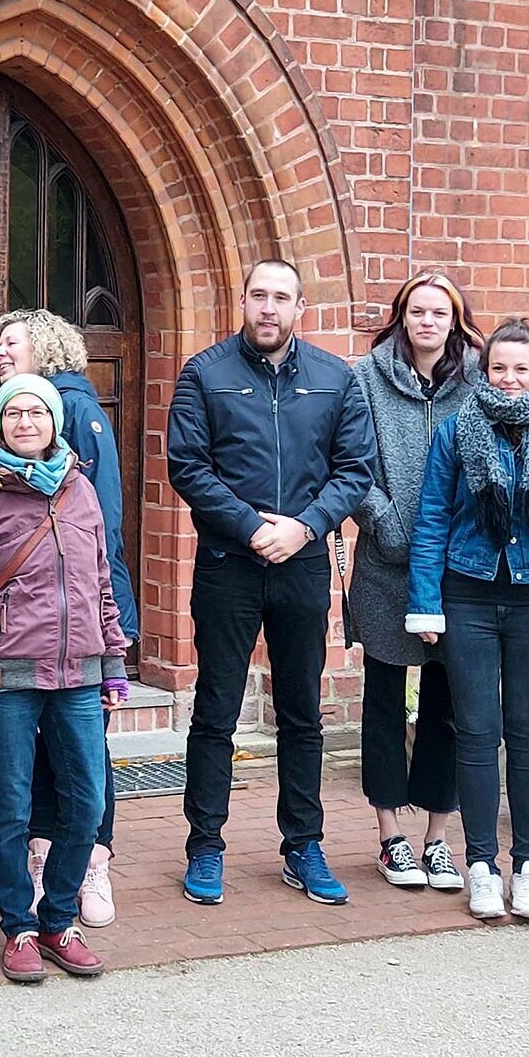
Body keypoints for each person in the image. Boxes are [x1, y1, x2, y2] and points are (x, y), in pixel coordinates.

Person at [167, 258, 376, 907]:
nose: (267, 307)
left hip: (303, 565)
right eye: (258, 295)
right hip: (229, 566)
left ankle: (302, 845)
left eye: (280, 297)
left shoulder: (333, 379)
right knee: (215, 712)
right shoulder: (205, 373)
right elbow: (186, 465)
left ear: (298, 307)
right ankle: (204, 846)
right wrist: (248, 526)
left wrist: (305, 528)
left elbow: (354, 469)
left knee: (301, 715)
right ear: (242, 301)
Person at [0, 374, 127, 982]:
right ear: (0, 421)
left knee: (88, 801)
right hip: (3, 675)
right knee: (13, 805)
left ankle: (59, 919)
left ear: (54, 422)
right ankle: (18, 925)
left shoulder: (80, 492)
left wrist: (113, 662)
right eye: (13, 412)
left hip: (77, 675)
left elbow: (100, 584)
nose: (25, 422)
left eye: (36, 412)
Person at [406, 319, 529, 923]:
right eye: (498, 368)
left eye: (521, 368)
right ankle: (482, 866)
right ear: (482, 373)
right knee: (476, 731)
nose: (509, 380)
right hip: (468, 596)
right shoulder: (456, 430)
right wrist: (427, 602)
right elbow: (432, 517)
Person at [0, 309, 135, 926]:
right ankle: (48, 858)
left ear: (42, 348)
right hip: (32, 628)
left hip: (83, 618)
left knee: (84, 756)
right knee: (48, 754)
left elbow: (98, 535)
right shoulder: (25, 410)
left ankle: (94, 863)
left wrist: (110, 633)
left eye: (10, 341)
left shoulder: (76, 409)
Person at [347, 273, 484, 892]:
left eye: (439, 312)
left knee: (446, 707)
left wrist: (456, 536)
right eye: (416, 311)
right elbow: (350, 463)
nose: (427, 321)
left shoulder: (480, 379)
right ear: (401, 316)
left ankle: (437, 838)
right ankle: (390, 835)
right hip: (385, 565)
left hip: (458, 570)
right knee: (382, 702)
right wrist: (389, 524)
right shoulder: (365, 378)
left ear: (455, 319)